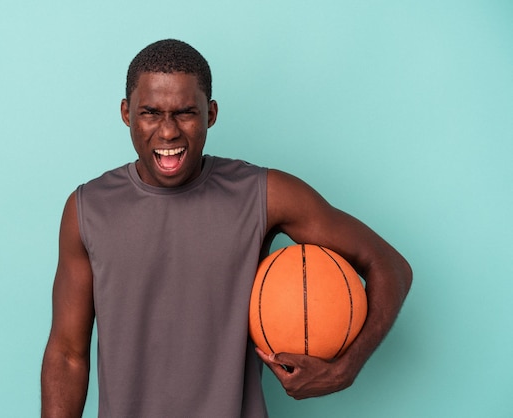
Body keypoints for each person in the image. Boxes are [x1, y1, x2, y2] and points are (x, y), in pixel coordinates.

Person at [41, 39, 412, 418]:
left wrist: (344, 371)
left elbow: (390, 266)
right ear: (126, 113)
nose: (168, 132)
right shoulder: (88, 209)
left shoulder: (264, 195)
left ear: (211, 114)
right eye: (150, 112)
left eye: (185, 112)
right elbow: (68, 354)